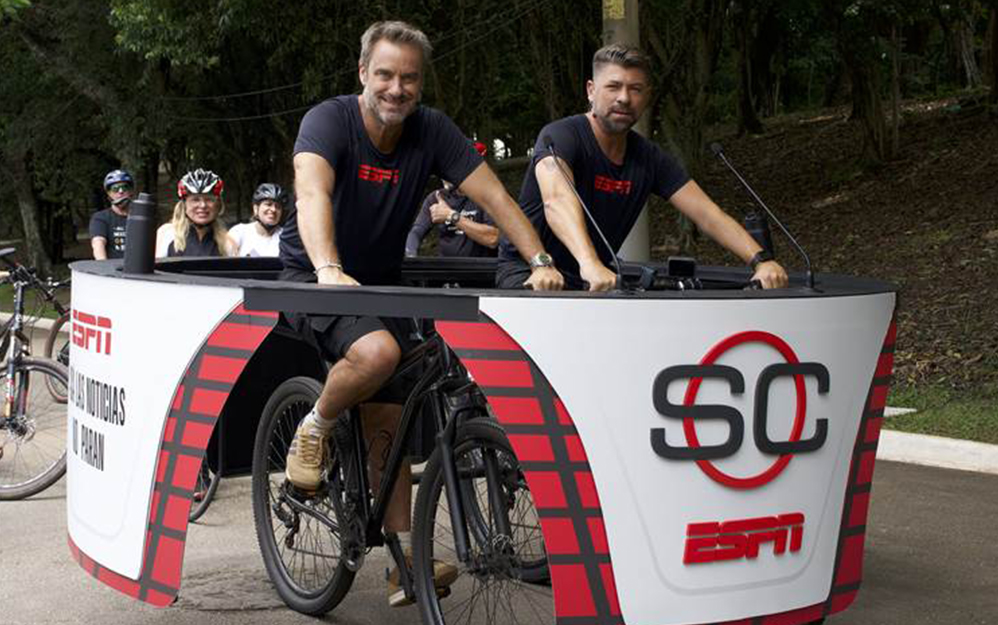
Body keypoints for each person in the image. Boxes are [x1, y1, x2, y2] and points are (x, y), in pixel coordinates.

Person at [278, 20, 562, 606]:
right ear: (363, 73)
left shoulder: (431, 130)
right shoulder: (327, 121)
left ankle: (402, 562)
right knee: (378, 353)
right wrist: (329, 268)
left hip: (382, 283)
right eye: (384, 74)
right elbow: (312, 194)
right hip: (313, 274)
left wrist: (537, 257)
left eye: (409, 78)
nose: (396, 88)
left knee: (393, 412)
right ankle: (316, 426)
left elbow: (497, 199)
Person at [496, 43, 789, 292]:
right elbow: (556, 200)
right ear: (590, 90)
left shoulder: (649, 157)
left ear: (647, 96)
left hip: (596, 280)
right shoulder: (560, 135)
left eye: (635, 89)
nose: (624, 97)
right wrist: (590, 263)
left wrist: (761, 260)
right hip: (532, 272)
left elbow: (708, 215)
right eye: (613, 86)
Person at [404, 143, 499, 258]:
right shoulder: (436, 197)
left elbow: (493, 238)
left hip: (482, 270)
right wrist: (410, 254)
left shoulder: (486, 194)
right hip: (447, 270)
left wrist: (452, 216)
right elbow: (416, 232)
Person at [155, 168, 236, 258]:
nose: (202, 205)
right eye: (195, 200)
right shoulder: (167, 234)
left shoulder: (227, 243)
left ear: (218, 205)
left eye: (209, 199)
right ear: (184, 205)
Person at [228, 183, 287, 257]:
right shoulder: (239, 232)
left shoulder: (286, 237)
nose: (273, 209)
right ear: (256, 208)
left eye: (278, 207)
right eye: (268, 204)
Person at [90, 169, 134, 260]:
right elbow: (98, 243)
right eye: (115, 189)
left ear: (131, 191)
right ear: (109, 194)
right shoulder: (101, 218)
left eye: (124, 187)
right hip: (114, 270)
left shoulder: (141, 217)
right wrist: (104, 267)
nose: (120, 191)